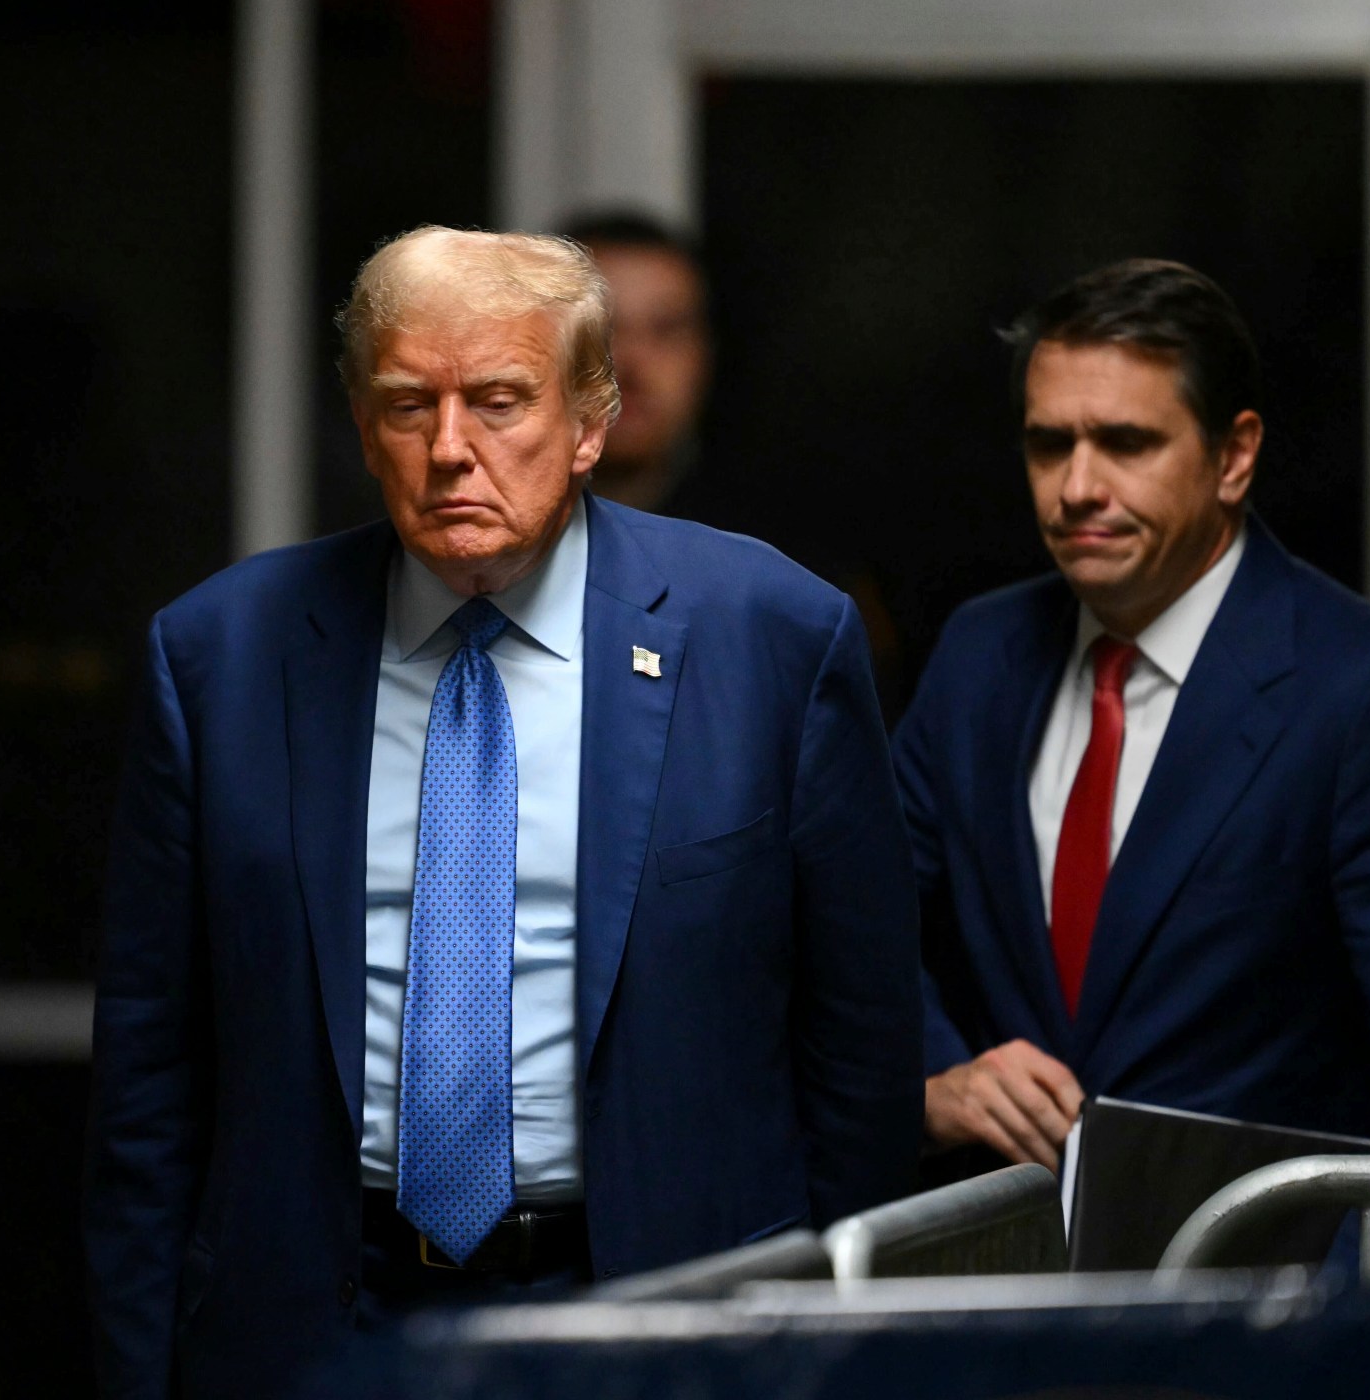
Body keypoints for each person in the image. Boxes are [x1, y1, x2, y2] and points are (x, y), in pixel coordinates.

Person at [86, 226, 922, 1398]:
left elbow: (860, 1059)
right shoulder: (221, 654)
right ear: (360, 424)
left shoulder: (771, 636)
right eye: (405, 405)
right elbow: (149, 1080)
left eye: (498, 401)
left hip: (666, 1313)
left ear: (589, 422)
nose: (449, 451)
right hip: (320, 1319)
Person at [894, 259, 1370, 1270]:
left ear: (1233, 456)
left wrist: (1339, 1326)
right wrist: (930, 1079)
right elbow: (859, 921)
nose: (1076, 487)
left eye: (1126, 444)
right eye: (1047, 443)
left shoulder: (1368, 700)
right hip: (1005, 1303)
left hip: (1261, 1317)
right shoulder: (980, 656)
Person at [562, 213, 711, 513]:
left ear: (703, 355)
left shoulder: (766, 547)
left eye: (666, 329)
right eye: (600, 331)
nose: (632, 360)